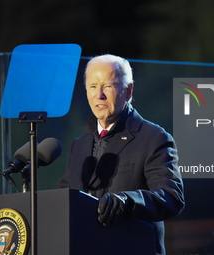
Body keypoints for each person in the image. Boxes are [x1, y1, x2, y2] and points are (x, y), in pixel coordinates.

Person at [57, 54, 184, 254]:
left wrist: (126, 201)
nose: (99, 95)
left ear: (128, 91)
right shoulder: (78, 145)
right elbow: (64, 202)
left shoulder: (154, 137)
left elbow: (171, 196)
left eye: (108, 86)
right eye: (92, 86)